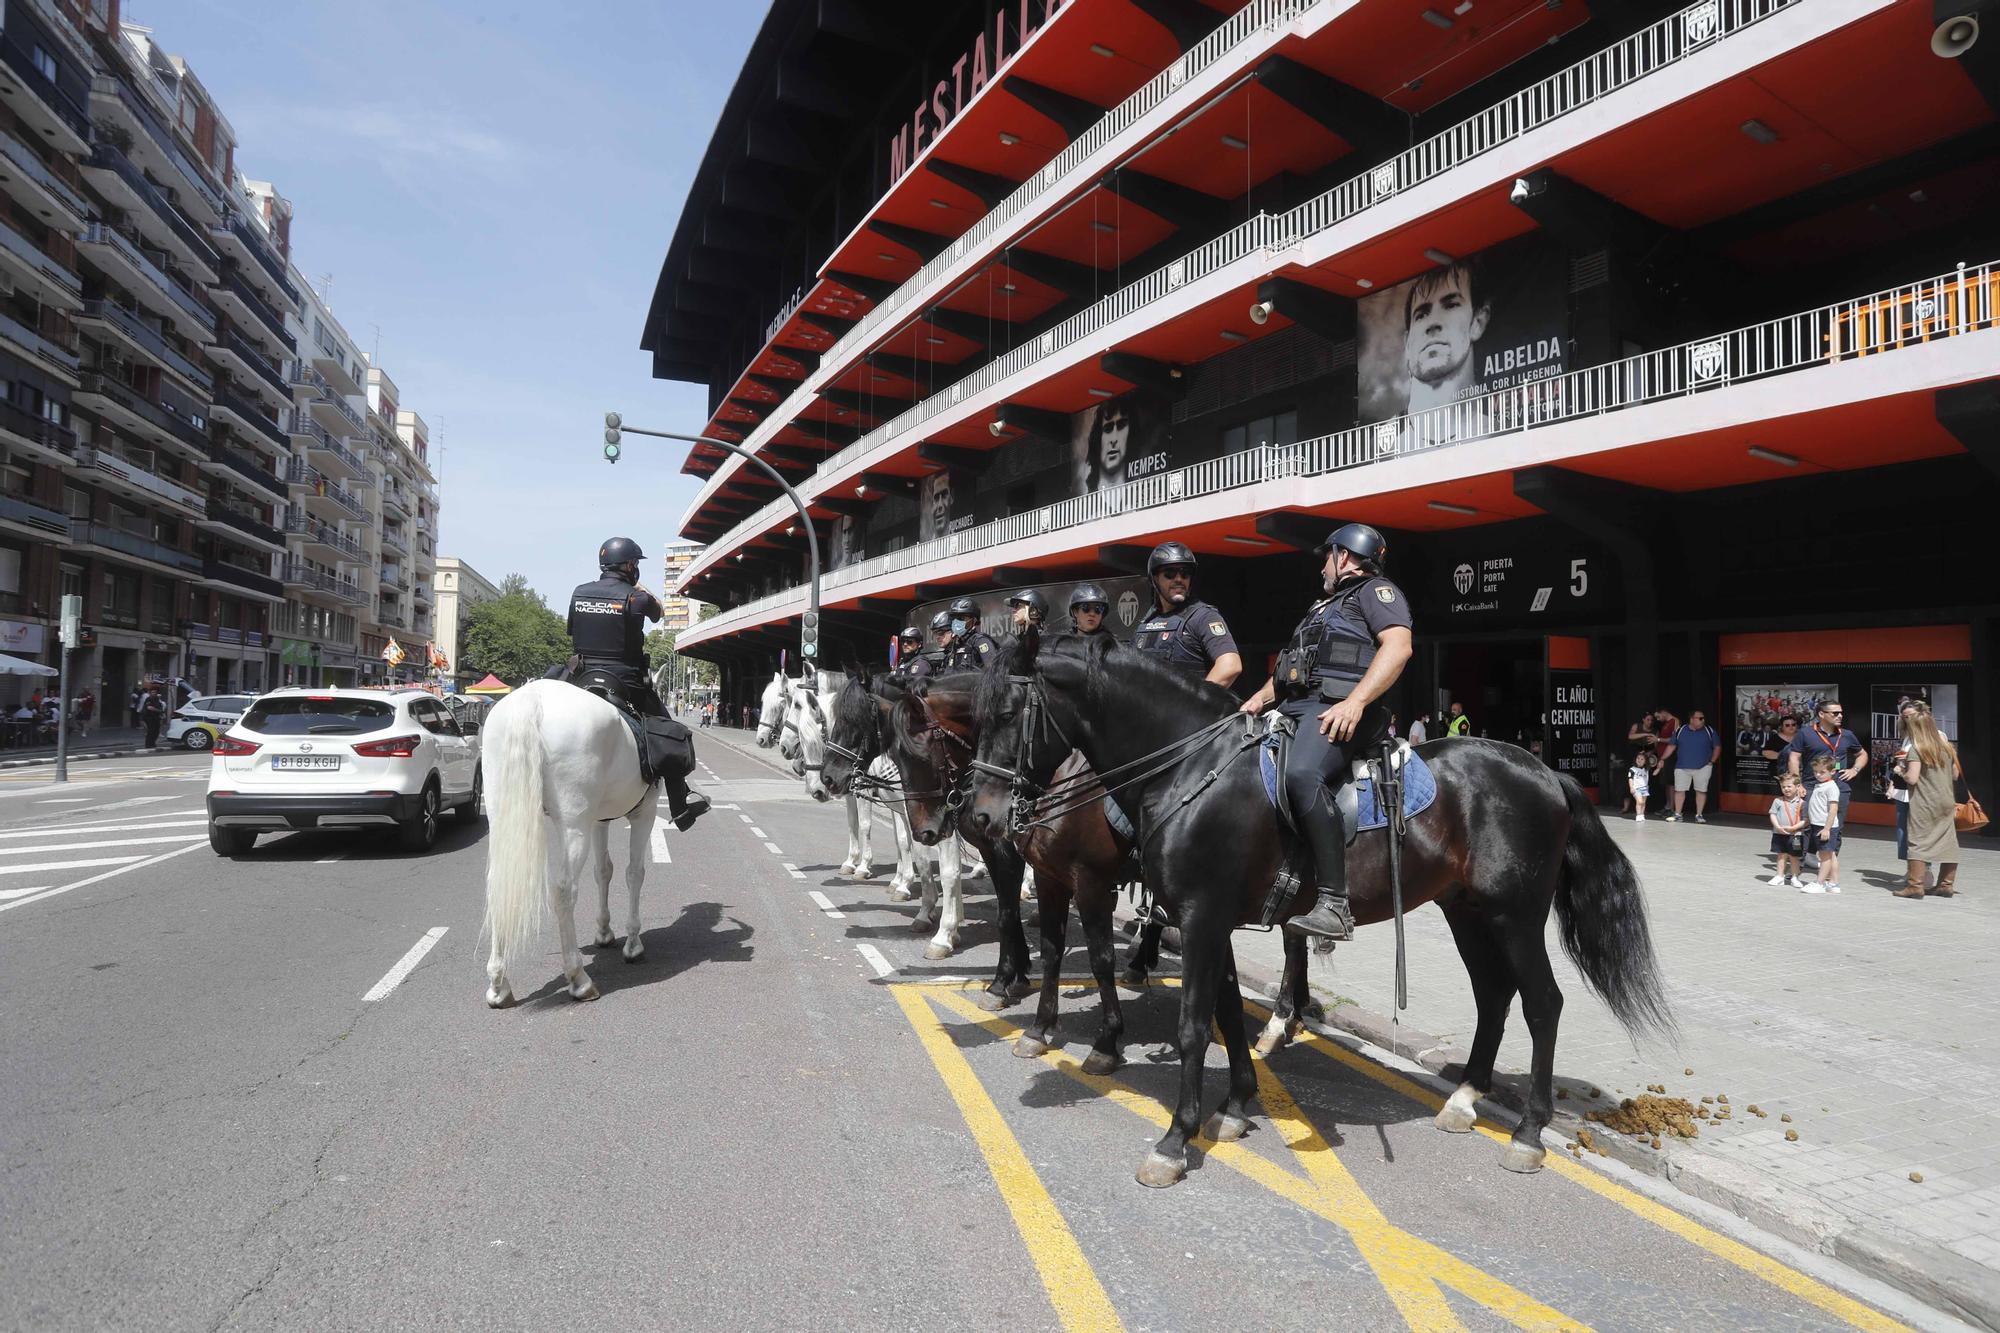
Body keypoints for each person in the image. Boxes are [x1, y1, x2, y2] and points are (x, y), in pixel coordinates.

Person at [1238, 523, 1412, 941]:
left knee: (1302, 775)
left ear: (1346, 556)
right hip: (1298, 707)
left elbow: (1398, 646)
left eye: (1327, 557)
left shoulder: (1376, 593)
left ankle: (1334, 903)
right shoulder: (1322, 608)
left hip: (1341, 711)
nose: (1322, 567)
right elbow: (1288, 672)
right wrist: (1257, 701)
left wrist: (1355, 702)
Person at [567, 536, 709, 830]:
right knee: (670, 731)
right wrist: (637, 586)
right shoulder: (636, 597)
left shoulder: (579, 593)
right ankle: (680, 804)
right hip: (625, 680)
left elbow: (572, 631)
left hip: (580, 675)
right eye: (635, 564)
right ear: (631, 565)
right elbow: (659, 613)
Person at [1131, 541, 1241, 687]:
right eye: (1170, 573)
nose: (1179, 579)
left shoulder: (1203, 616)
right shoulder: (1146, 623)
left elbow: (1230, 665)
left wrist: (1194, 703)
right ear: (1155, 579)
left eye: (1185, 573)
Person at [1896, 704, 1960, 899]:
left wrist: (1901, 770)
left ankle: (1915, 886)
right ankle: (1945, 885)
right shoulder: (1947, 747)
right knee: (1948, 841)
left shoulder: (1917, 749)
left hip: (1924, 801)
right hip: (1946, 800)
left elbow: (1913, 779)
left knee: (1917, 842)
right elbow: (1955, 775)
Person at [1785, 698, 1866, 829]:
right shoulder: (1805, 733)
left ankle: (1831, 850)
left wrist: (1855, 770)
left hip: (1839, 786)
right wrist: (1797, 784)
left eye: (1841, 712)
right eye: (1835, 713)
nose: (1840, 716)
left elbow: (1862, 754)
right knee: (1808, 825)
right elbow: (1794, 758)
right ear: (1821, 714)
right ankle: (1810, 850)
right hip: (1812, 786)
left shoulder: (1847, 734)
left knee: (1836, 826)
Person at [1663, 708, 1720, 823]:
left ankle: (1699, 815)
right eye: (1700, 718)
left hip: (1703, 767)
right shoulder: (1680, 730)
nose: (1703, 720)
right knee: (1679, 790)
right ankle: (1678, 814)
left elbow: (1717, 747)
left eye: (1703, 718)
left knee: (1701, 791)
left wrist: (1712, 761)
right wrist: (1662, 758)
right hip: (1682, 767)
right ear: (1691, 719)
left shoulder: (1709, 731)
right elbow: (1671, 746)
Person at [1800, 755, 1843, 894]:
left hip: (1824, 827)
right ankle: (1834, 883)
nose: (1818, 775)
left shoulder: (1831, 787)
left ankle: (1820, 883)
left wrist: (1826, 828)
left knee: (1824, 857)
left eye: (1822, 772)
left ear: (1832, 771)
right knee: (1831, 855)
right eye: (1815, 771)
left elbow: (1833, 809)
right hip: (1818, 824)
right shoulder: (1821, 784)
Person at [1767, 773, 1809, 887]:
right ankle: (1779, 876)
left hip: (1796, 834)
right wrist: (1778, 827)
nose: (1786, 789)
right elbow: (1773, 814)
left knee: (1794, 857)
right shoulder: (1777, 801)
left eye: (1789, 786)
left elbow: (1805, 820)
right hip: (1779, 833)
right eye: (1783, 786)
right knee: (1781, 855)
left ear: (1798, 786)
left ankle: (1795, 877)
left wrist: (1793, 828)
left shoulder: (1802, 803)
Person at [942, 596, 997, 672]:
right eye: (953, 618)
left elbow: (993, 672)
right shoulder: (955, 645)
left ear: (974, 620)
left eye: (961, 618)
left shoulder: (981, 641)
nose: (956, 622)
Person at [1628, 750, 1655, 821]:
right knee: (1639, 801)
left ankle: (1642, 814)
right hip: (1636, 788)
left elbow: (1653, 763)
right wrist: (1631, 787)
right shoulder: (1632, 769)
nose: (1639, 760)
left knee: (1643, 802)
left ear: (1645, 761)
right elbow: (1630, 779)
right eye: (1638, 758)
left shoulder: (1646, 769)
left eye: (1642, 759)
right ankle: (1638, 815)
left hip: (1645, 788)